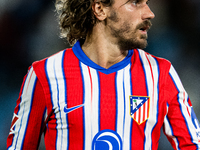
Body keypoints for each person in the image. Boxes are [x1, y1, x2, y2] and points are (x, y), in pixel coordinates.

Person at [7, 0, 200, 149]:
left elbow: (192, 145)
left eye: (147, 3)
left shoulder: (161, 73)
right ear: (99, 9)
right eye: (135, 2)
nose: (149, 13)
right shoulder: (45, 74)